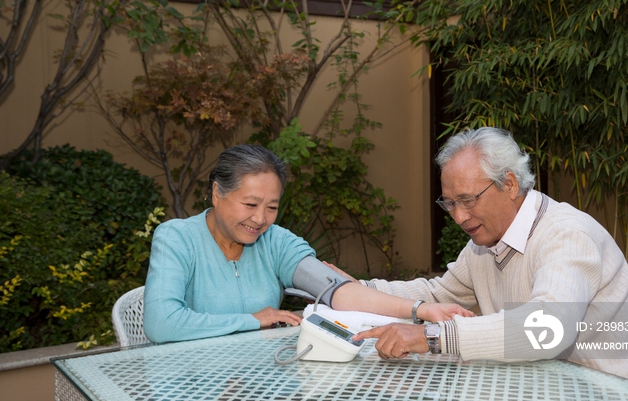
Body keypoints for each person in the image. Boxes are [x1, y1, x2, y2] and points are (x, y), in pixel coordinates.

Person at [332, 127, 628, 387]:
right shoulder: (484, 245)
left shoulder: (566, 234)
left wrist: (434, 337)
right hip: (541, 394)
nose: (459, 217)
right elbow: (433, 296)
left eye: (468, 199)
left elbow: (547, 328)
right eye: (449, 204)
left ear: (510, 184)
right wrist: (352, 288)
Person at [144, 144, 468, 343]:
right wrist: (253, 320)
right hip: (191, 384)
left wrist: (421, 309)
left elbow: (339, 290)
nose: (260, 219)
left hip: (263, 386)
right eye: (250, 204)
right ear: (217, 193)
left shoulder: (275, 241)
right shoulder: (177, 238)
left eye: (272, 207)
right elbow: (162, 323)